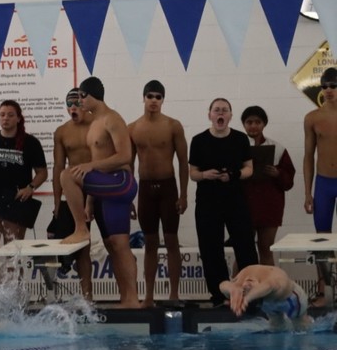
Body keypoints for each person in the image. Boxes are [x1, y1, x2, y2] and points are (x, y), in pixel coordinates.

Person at [60, 77, 140, 308]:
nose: (79, 102)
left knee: (67, 175)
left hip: (121, 181)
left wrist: (91, 167)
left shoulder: (112, 119)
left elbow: (124, 156)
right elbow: (97, 161)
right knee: (116, 244)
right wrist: (90, 203)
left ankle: (80, 230)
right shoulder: (94, 123)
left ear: (91, 95)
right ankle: (129, 300)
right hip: (108, 189)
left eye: (81, 97)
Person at [189, 97, 258, 307]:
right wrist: (205, 175)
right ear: (209, 114)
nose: (220, 114)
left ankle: (250, 294)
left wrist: (234, 175)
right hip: (208, 201)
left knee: (245, 245)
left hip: (235, 199)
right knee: (211, 249)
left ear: (230, 116)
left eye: (224, 110)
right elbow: (193, 173)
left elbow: (249, 169)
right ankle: (219, 296)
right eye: (216, 110)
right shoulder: (199, 140)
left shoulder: (240, 139)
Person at [0, 100, 48, 277]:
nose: (6, 119)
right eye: (2, 114)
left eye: (11, 115)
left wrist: (30, 187)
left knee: (13, 254)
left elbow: (42, 173)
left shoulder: (30, 143)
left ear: (19, 118)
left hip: (15, 203)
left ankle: (14, 295)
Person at [127, 80, 189, 307]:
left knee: (172, 241)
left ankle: (174, 294)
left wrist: (183, 195)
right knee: (150, 243)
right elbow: (128, 166)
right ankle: (149, 297)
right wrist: (128, 198)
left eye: (158, 97)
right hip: (145, 189)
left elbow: (183, 162)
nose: (154, 100)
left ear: (163, 100)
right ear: (143, 98)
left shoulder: (173, 125)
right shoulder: (132, 128)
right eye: (150, 96)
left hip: (168, 188)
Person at [49, 89, 94, 299]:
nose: (73, 108)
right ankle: (87, 298)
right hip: (75, 192)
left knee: (114, 244)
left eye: (76, 104)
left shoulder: (98, 125)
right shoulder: (62, 132)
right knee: (82, 247)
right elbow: (58, 168)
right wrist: (58, 201)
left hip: (100, 188)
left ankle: (120, 297)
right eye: (69, 105)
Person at [241, 106, 295, 266]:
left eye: (257, 122)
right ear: (243, 124)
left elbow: (289, 181)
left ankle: (268, 289)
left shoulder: (278, 149)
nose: (253, 126)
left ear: (264, 124)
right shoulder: (236, 146)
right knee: (243, 250)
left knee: (265, 249)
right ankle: (237, 290)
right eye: (249, 122)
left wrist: (277, 173)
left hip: (269, 206)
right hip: (243, 205)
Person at [303, 67, 337, 302]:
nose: (328, 90)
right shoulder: (312, 118)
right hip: (323, 183)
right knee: (321, 238)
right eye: (324, 85)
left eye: (333, 85)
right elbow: (308, 156)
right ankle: (323, 290)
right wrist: (307, 192)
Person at [219, 265, 311, 332]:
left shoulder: (240, 284)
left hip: (282, 301)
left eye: (244, 290)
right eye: (249, 289)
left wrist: (232, 289)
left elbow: (222, 285)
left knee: (298, 326)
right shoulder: (274, 287)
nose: (246, 284)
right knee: (284, 329)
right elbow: (269, 285)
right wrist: (248, 298)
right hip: (285, 301)